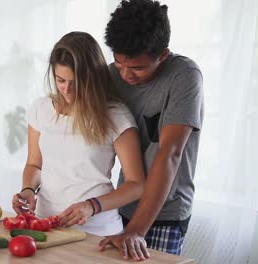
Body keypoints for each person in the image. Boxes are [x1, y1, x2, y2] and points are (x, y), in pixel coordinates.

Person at [11, 31, 146, 238]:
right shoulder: (41, 109)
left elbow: (136, 185)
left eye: (77, 82)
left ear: (93, 77)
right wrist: (28, 189)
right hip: (45, 227)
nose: (67, 90)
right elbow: (34, 164)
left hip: (97, 232)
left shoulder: (115, 115)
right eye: (60, 80)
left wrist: (91, 206)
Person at [98, 0, 204, 260]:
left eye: (137, 67)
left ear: (163, 55)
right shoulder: (111, 75)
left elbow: (170, 154)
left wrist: (135, 230)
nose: (126, 75)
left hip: (167, 210)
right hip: (123, 202)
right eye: (119, 63)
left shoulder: (184, 76)